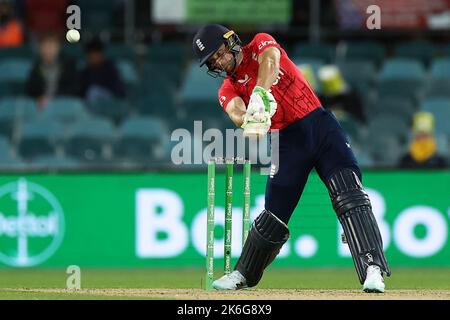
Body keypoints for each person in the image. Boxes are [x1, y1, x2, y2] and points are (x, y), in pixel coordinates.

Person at [192, 24, 390, 292]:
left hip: (320, 127)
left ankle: (372, 268)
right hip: (286, 142)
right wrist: (249, 119)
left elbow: (270, 62)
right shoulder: (227, 89)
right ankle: (242, 274)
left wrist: (260, 94)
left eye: (218, 53)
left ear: (231, 42)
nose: (219, 62)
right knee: (274, 213)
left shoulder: (260, 43)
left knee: (349, 195)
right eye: (212, 61)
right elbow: (235, 111)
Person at [25, 32, 78, 108]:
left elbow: (74, 89)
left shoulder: (69, 65)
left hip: (64, 105)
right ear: (40, 49)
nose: (49, 50)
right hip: (41, 108)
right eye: (45, 46)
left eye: (52, 46)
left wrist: (53, 98)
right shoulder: (35, 67)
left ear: (58, 48)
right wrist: (39, 98)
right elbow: (30, 91)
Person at [79, 37, 126, 104]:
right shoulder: (86, 71)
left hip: (110, 102)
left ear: (101, 55)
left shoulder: (110, 68)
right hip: (90, 105)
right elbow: (81, 92)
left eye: (94, 55)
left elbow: (119, 92)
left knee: (93, 91)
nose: (92, 59)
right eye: (89, 56)